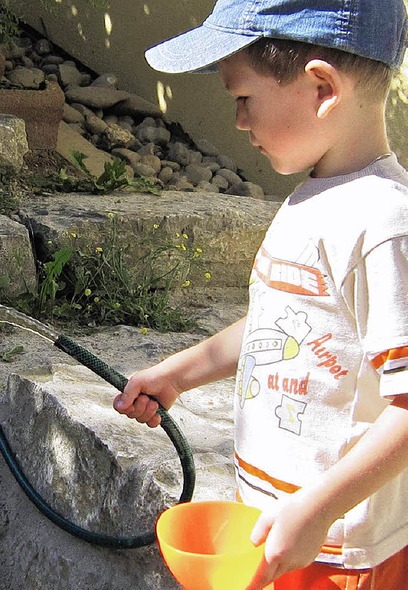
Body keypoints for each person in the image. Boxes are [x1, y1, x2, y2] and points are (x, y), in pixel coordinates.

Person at [112, 1, 408, 588]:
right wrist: (181, 373)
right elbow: (282, 324)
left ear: (322, 86)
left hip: (340, 557)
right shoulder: (316, 198)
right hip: (282, 530)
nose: (240, 123)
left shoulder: (383, 225)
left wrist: (318, 509)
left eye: (243, 99)